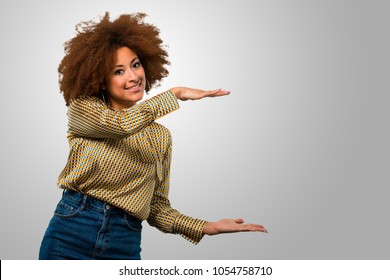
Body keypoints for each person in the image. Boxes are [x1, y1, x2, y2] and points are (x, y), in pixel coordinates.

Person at [39, 12, 267, 260]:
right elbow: (121, 125)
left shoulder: (160, 137)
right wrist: (176, 94)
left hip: (124, 241)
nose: (134, 76)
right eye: (118, 71)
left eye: (135, 65)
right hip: (71, 232)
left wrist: (206, 227)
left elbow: (156, 207)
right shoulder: (84, 110)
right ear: (101, 79)